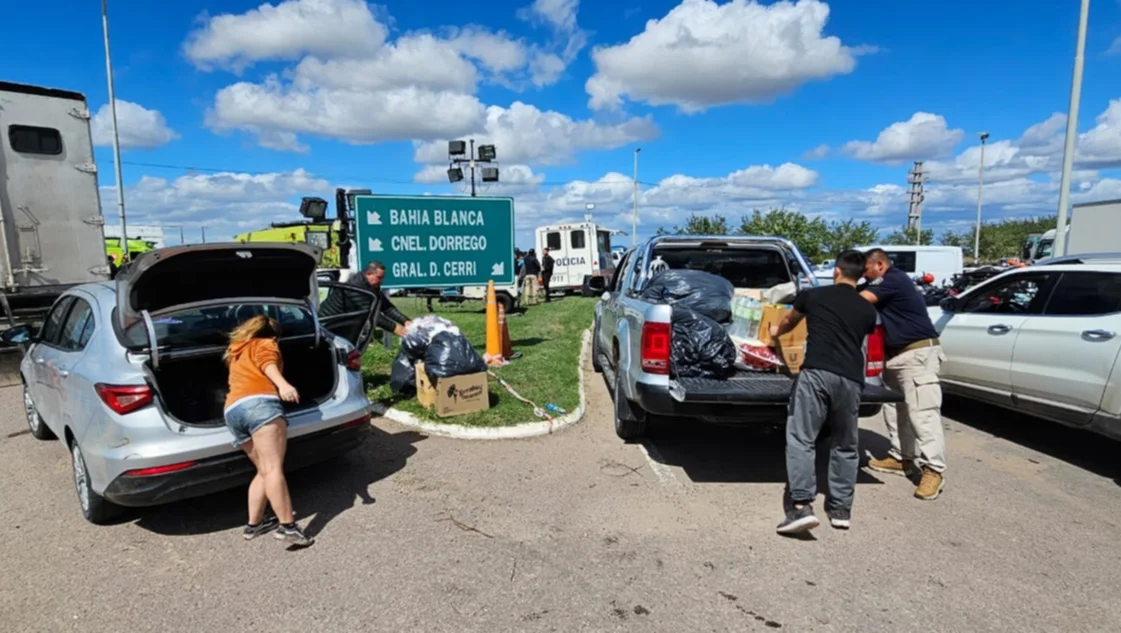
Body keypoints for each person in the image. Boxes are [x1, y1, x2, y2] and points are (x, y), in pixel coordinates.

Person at [771, 250, 879, 535]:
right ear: (862, 275)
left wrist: (774, 334)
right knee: (845, 443)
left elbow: (790, 321)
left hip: (816, 373)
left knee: (801, 438)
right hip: (851, 380)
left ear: (836, 271)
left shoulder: (814, 296)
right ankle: (841, 509)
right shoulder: (868, 310)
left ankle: (801, 507)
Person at [860, 248, 947, 501]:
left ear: (879, 265)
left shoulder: (893, 280)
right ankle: (902, 457)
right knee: (896, 411)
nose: (864, 276)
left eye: (866, 270)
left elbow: (860, 300)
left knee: (923, 414)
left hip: (917, 355)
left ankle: (934, 470)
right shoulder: (881, 281)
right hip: (896, 356)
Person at [223, 315, 314, 547]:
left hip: (233, 410)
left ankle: (254, 525)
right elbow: (267, 363)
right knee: (274, 469)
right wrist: (283, 384)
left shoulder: (237, 350)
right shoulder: (265, 343)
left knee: (264, 470)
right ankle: (288, 528)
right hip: (260, 405)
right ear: (273, 335)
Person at [322, 261, 412, 337]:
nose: (381, 281)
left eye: (382, 278)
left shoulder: (371, 286)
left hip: (341, 326)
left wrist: (405, 320)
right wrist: (396, 328)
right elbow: (371, 314)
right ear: (369, 274)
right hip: (325, 325)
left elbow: (386, 307)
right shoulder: (356, 287)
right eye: (379, 278)